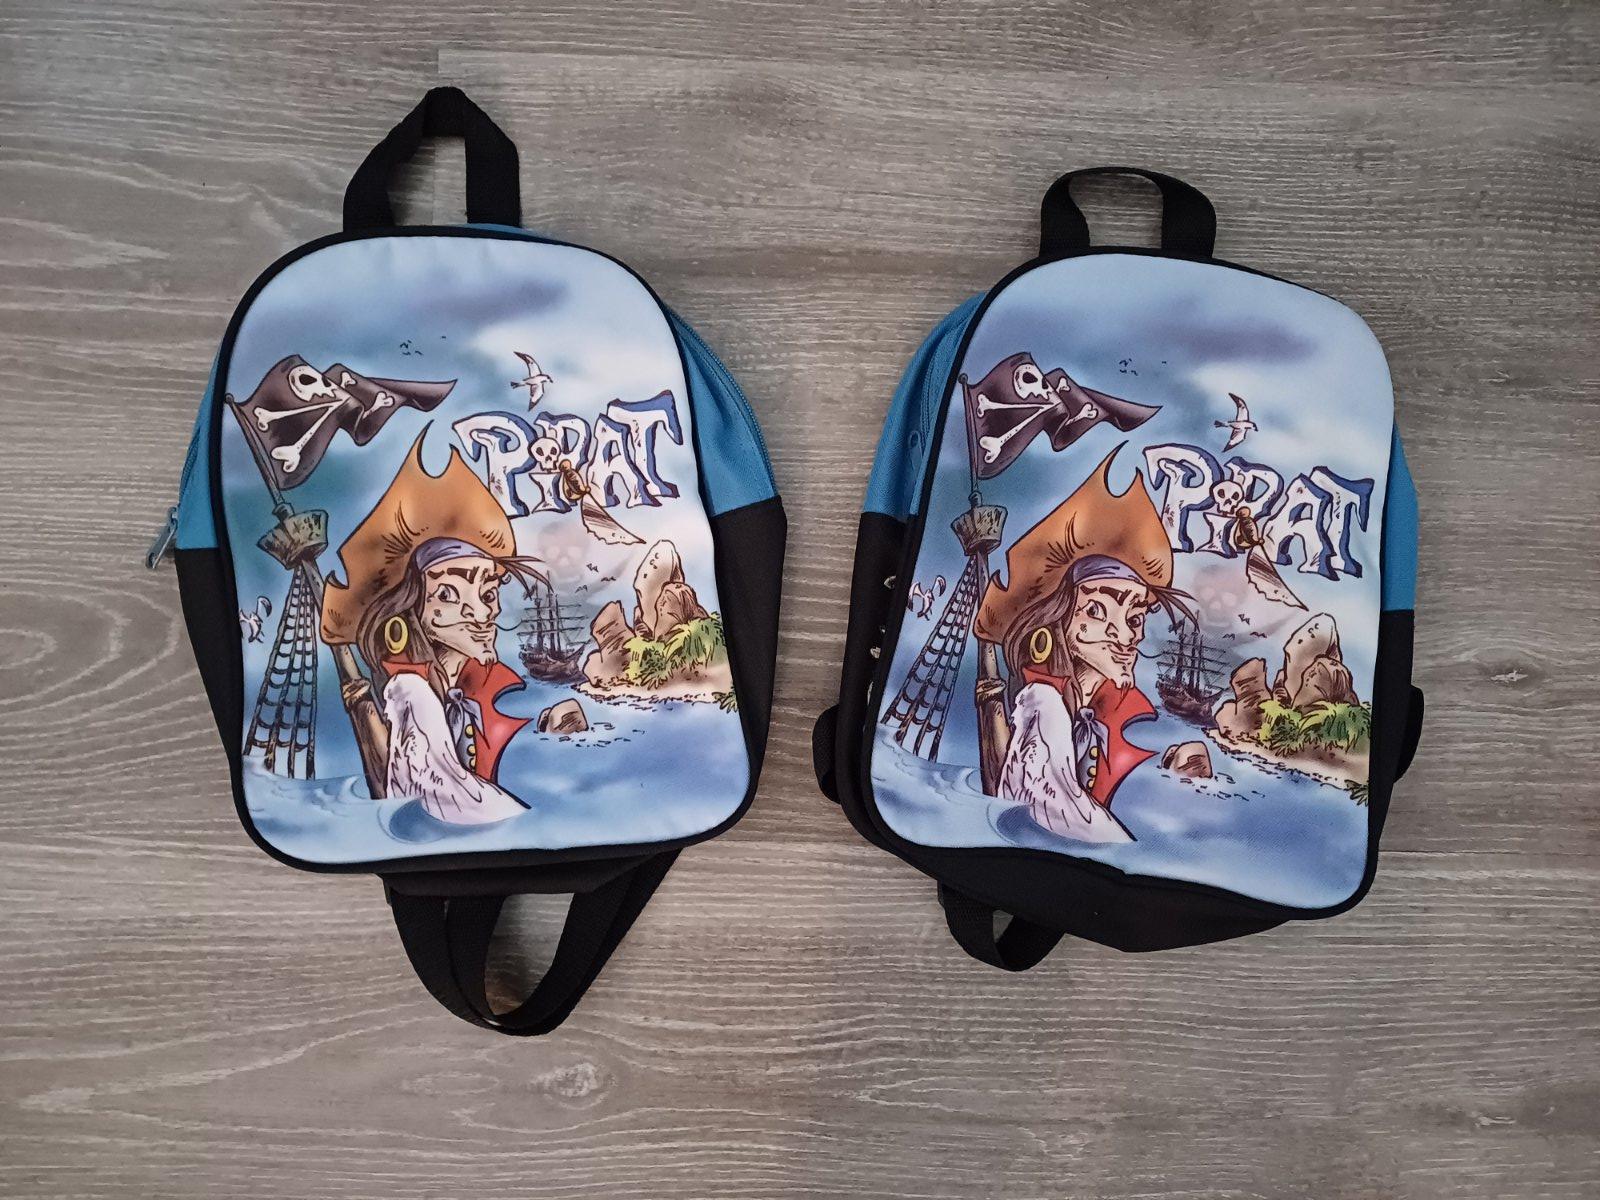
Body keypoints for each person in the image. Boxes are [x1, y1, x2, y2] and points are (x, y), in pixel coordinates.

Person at [321, 435, 548, 824]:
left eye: (488, 593)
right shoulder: (412, 694)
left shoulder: (461, 685)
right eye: (447, 594)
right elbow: (445, 802)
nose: (481, 612)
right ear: (411, 606)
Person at [973, 450, 1194, 842]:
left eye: (1135, 618)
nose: (1125, 636)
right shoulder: (1044, 705)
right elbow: (1057, 814)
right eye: (1096, 611)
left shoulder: (1100, 707)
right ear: (1058, 618)